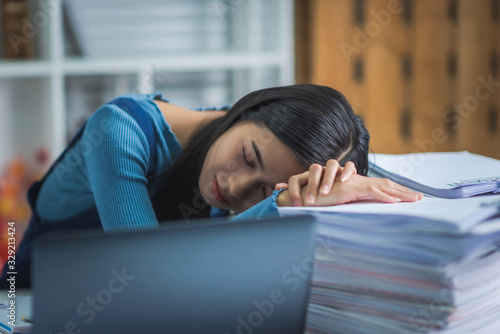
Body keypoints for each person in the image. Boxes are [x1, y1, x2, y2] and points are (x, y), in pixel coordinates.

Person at [0, 84, 422, 288]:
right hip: (26, 302)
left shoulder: (242, 144)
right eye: (248, 157)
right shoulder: (118, 132)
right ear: (245, 111)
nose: (236, 187)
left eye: (264, 190)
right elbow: (151, 278)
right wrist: (279, 202)